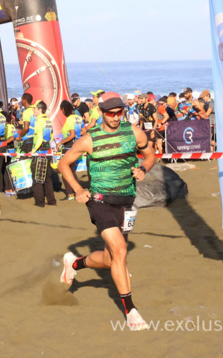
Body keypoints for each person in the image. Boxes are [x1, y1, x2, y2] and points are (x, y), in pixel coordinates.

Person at [58, 91, 156, 331]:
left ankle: (75, 264)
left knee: (112, 258)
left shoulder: (133, 132)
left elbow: (150, 154)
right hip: (99, 201)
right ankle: (131, 312)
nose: (114, 117)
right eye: (110, 113)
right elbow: (63, 163)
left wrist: (144, 168)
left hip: (126, 202)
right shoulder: (89, 139)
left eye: (119, 113)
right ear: (101, 113)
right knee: (121, 251)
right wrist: (78, 189)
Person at [29, 102, 56, 207]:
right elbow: (52, 136)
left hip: (39, 152)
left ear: (40, 110)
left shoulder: (39, 121)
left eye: (34, 108)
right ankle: (51, 201)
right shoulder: (48, 120)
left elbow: (39, 139)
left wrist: (33, 150)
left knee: (37, 178)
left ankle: (39, 202)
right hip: (47, 151)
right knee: (47, 177)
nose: (33, 110)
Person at [58, 100, 84, 201]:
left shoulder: (69, 119)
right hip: (77, 145)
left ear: (64, 110)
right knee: (72, 170)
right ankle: (77, 191)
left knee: (64, 169)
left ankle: (70, 194)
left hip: (69, 146)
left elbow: (71, 134)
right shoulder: (78, 117)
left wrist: (60, 142)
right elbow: (84, 131)